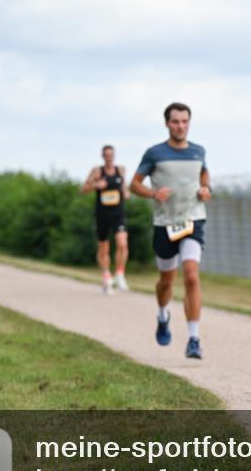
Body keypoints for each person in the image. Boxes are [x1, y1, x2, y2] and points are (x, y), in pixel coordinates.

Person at [130, 102, 210, 359]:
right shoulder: (154, 153)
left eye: (185, 121)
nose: (180, 126)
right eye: (176, 121)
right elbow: (134, 185)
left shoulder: (198, 151)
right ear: (167, 123)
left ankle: (194, 339)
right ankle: (163, 315)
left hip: (193, 220)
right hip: (165, 224)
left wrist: (205, 189)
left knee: (191, 276)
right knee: (166, 280)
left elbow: (204, 175)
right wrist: (153, 193)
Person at [81, 145, 130, 295]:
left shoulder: (120, 170)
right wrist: (96, 185)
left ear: (114, 156)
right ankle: (106, 276)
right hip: (102, 215)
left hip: (118, 214)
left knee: (122, 243)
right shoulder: (97, 171)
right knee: (104, 248)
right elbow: (83, 189)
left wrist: (126, 192)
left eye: (111, 155)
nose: (109, 157)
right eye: (106, 155)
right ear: (103, 156)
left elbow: (125, 190)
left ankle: (120, 274)